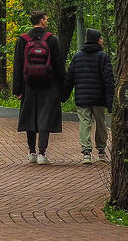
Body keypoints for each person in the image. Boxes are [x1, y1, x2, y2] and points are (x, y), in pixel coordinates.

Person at [12, 11, 66, 164]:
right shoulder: (52, 40)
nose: (47, 21)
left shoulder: (23, 40)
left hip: (28, 85)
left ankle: (31, 152)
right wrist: (63, 88)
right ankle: (42, 153)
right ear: (41, 21)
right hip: (49, 85)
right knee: (45, 116)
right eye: (46, 19)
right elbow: (59, 66)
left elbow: (18, 65)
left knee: (30, 115)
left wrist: (17, 89)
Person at [64, 28, 115, 164]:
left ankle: (86, 152)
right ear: (97, 40)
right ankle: (101, 151)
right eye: (101, 38)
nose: (102, 40)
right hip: (99, 98)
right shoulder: (103, 57)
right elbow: (108, 80)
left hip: (82, 97)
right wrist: (110, 102)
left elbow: (69, 78)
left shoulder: (78, 56)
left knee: (85, 123)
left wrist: (64, 95)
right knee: (101, 124)